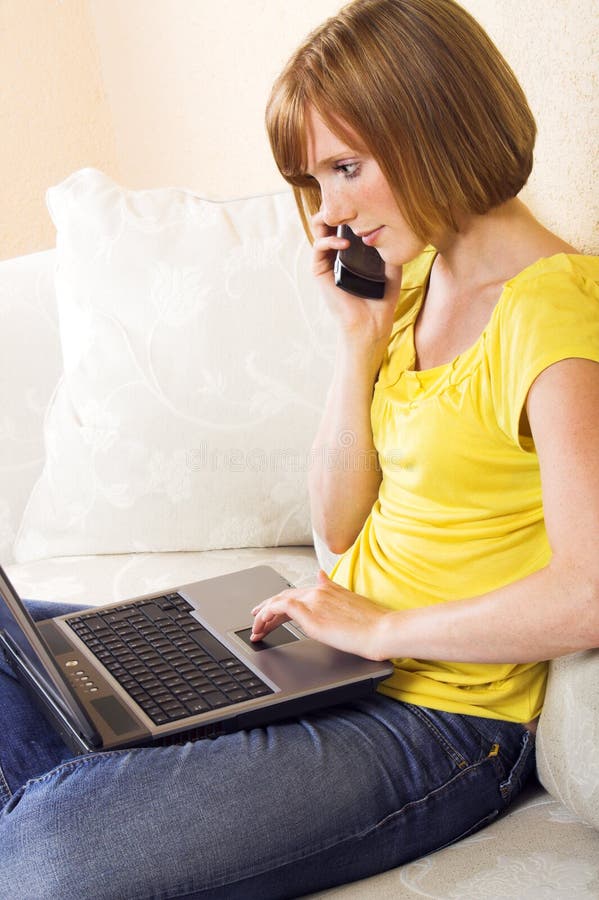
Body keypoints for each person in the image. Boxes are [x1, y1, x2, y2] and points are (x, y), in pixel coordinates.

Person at [1, 0, 598, 896]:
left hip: (438, 718)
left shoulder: (556, 316)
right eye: (315, 181)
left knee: (52, 857)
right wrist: (359, 339)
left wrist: (383, 627)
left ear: (435, 123)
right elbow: (339, 519)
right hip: (324, 658)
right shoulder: (420, 277)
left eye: (346, 169)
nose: (331, 212)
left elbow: (588, 594)